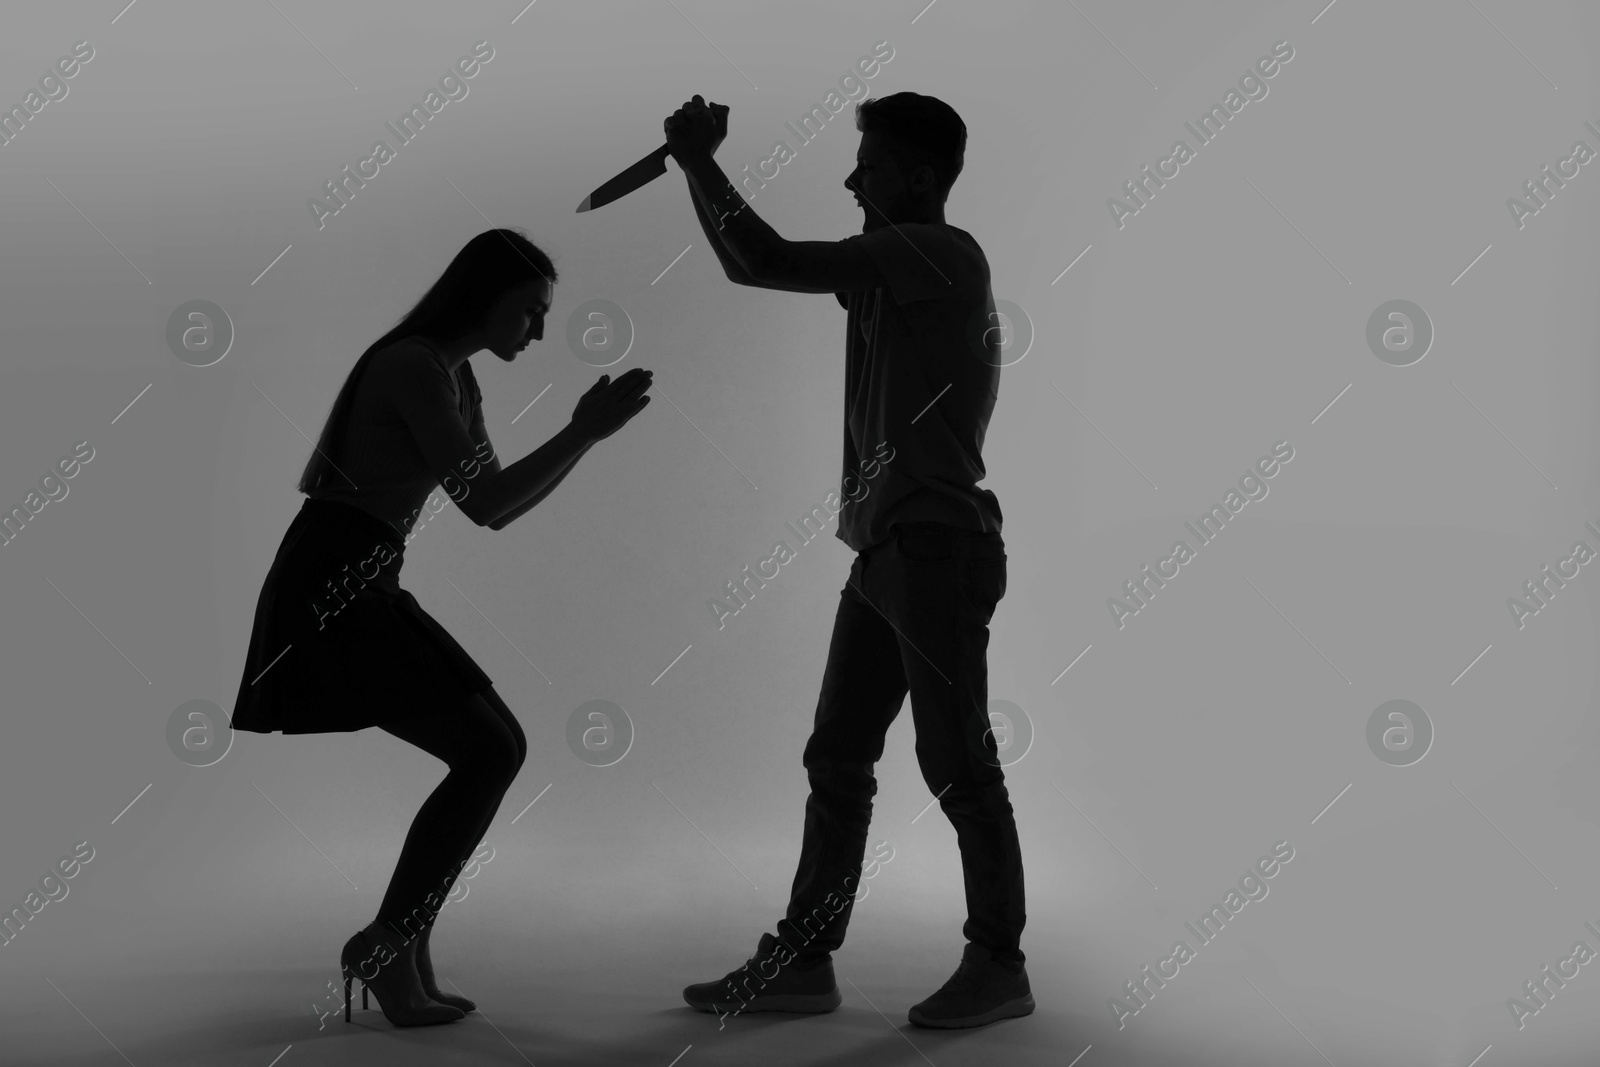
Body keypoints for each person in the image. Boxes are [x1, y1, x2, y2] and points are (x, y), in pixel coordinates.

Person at [668, 93, 1031, 1029]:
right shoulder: (887, 273)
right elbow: (751, 264)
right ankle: (804, 958)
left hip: (937, 546)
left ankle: (999, 962)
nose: (850, 177)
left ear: (918, 178)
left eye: (866, 163)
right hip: (886, 551)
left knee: (958, 761)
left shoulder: (939, 254)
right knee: (838, 753)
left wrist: (700, 163)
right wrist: (694, 171)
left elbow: (767, 258)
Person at [228, 229, 652, 1027]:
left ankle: (401, 944)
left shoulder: (458, 379)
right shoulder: (411, 364)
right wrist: (584, 432)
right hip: (332, 576)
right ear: (484, 297)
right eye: (529, 312)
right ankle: (390, 942)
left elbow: (492, 507)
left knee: (497, 747)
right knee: (489, 749)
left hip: (369, 571)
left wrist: (585, 438)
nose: (536, 330)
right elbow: (487, 500)